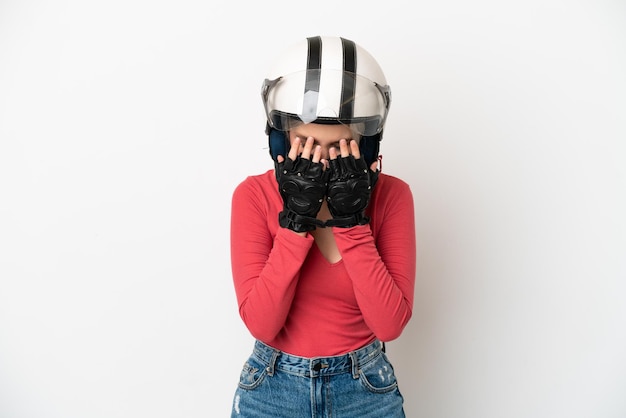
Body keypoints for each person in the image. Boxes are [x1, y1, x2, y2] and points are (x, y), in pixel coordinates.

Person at [229, 35, 416, 418]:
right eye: (306, 142)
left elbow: (390, 323)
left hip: (366, 389)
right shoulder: (252, 195)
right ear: (281, 138)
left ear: (364, 145)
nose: (323, 160)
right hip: (272, 389)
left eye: (340, 146)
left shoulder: (394, 196)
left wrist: (352, 223)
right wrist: (296, 223)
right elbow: (262, 324)